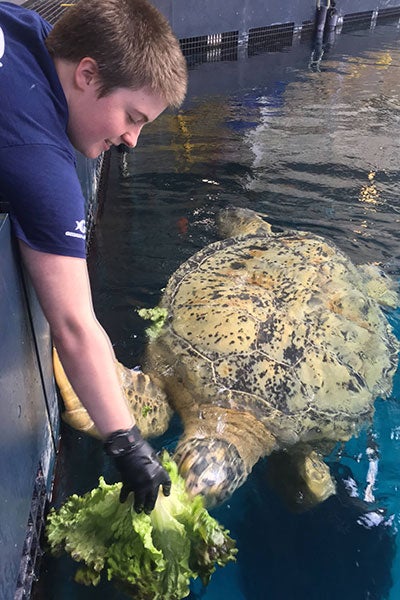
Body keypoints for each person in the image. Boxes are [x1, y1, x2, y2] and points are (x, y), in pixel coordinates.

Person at [0, 0, 188, 513]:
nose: (131, 139)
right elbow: (75, 327)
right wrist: (128, 443)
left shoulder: (22, 26)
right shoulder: (43, 165)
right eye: (132, 117)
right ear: (87, 73)